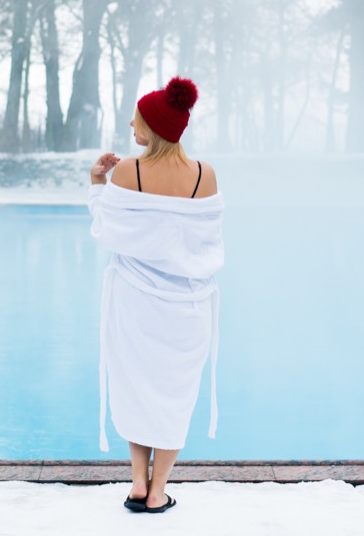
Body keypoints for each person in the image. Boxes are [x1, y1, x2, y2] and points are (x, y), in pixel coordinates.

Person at [87, 76, 223, 514]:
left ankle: (136, 484)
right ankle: (158, 489)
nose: (131, 123)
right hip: (188, 309)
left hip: (136, 306)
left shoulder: (129, 171)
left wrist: (96, 182)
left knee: (136, 388)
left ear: (155, 127)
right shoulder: (206, 174)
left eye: (138, 118)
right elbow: (207, 243)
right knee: (173, 395)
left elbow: (107, 230)